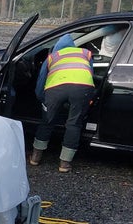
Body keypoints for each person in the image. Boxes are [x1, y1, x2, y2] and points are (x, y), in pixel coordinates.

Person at [30, 34, 95, 173]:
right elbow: (90, 74)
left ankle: (35, 158)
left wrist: (42, 100)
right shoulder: (85, 53)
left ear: (56, 47)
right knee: (74, 124)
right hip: (82, 88)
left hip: (56, 89)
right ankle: (64, 163)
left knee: (47, 121)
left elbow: (41, 81)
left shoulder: (53, 56)